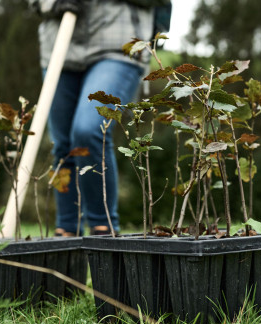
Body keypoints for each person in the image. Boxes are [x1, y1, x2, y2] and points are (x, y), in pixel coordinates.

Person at [28, 0, 171, 236]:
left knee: (88, 129)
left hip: (118, 44)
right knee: (62, 146)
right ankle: (66, 233)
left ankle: (102, 229)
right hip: (60, 46)